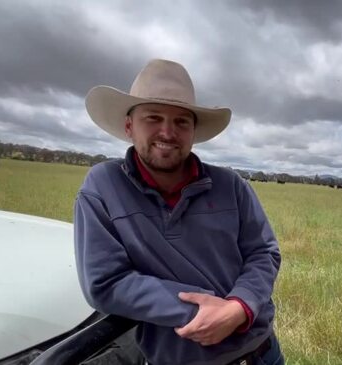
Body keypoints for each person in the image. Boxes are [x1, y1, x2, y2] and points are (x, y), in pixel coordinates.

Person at [74, 59, 283, 365]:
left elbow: (263, 252)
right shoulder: (103, 187)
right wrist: (203, 313)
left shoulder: (231, 185)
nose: (167, 132)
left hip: (260, 354)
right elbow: (106, 282)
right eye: (153, 118)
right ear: (129, 126)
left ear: (193, 130)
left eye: (181, 121)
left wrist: (239, 306)